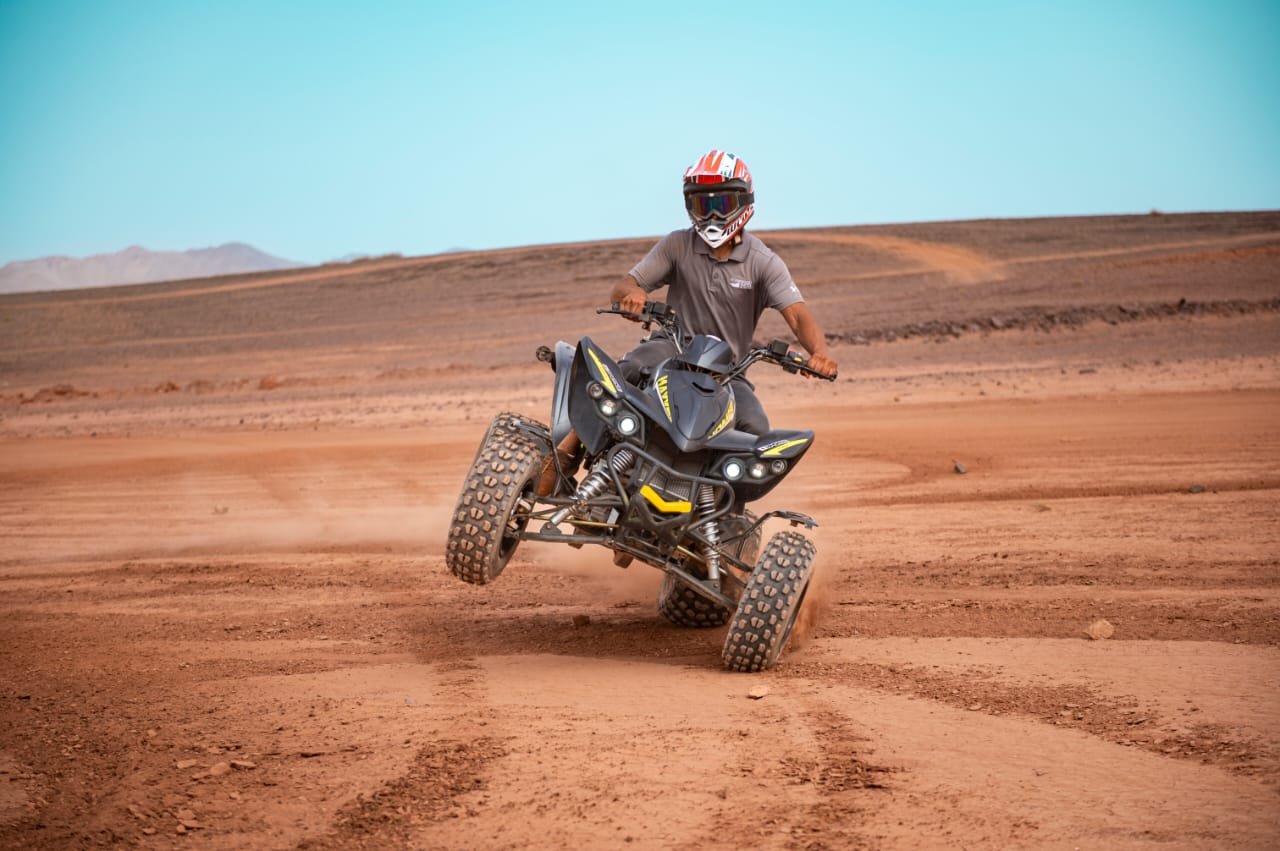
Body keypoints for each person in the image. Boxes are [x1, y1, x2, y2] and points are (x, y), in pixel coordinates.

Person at [538, 149, 838, 495]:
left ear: (743, 202)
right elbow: (623, 285)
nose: (711, 214)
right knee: (626, 371)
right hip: (671, 348)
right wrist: (632, 295)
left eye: (721, 205)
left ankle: (725, 518)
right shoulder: (678, 244)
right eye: (701, 204)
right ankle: (566, 456)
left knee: (755, 430)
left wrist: (820, 353)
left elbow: (798, 315)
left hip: (729, 371)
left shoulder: (762, 262)